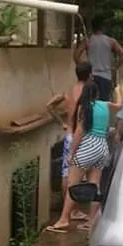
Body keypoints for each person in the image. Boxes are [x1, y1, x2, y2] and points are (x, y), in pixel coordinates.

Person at [48, 80, 123, 232]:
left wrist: (71, 152)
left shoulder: (85, 108)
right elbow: (120, 106)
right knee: (95, 185)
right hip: (102, 147)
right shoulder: (105, 105)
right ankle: (91, 221)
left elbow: (80, 131)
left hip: (87, 147)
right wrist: (118, 90)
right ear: (96, 93)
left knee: (72, 185)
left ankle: (64, 219)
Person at [46, 61, 92, 223]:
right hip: (81, 136)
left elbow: (49, 106)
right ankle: (74, 211)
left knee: (66, 174)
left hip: (69, 135)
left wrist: (62, 123)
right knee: (78, 176)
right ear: (90, 75)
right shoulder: (88, 92)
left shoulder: (69, 91)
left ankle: (69, 211)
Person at [75, 17, 123, 101]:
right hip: (106, 77)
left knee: (90, 102)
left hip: (91, 76)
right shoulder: (111, 41)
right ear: (103, 27)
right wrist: (115, 68)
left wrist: (83, 68)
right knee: (104, 104)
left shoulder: (88, 40)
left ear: (92, 27)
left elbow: (76, 55)